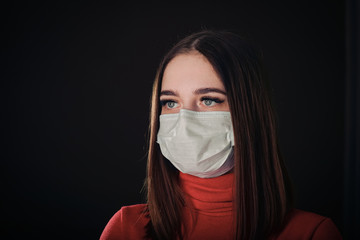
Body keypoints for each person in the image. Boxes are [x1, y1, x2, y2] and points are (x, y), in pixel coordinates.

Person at [100, 30, 342, 239]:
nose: (184, 119)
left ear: (249, 113)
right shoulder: (127, 229)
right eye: (170, 103)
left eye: (208, 99)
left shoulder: (311, 233)